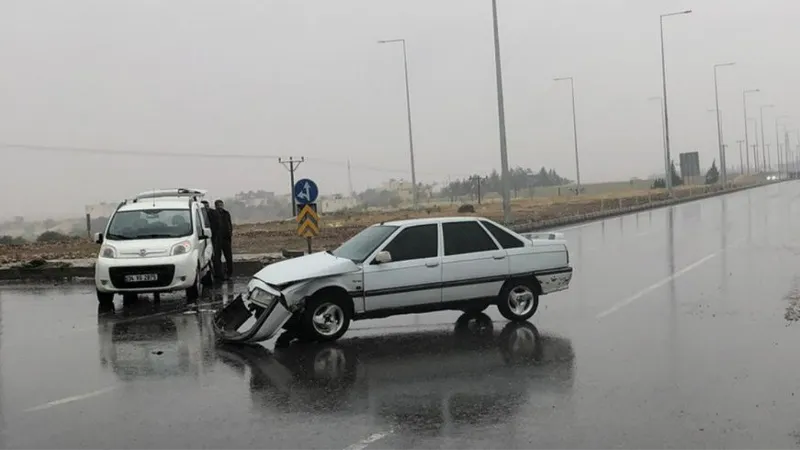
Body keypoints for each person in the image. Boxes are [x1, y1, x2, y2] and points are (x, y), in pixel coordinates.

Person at [201, 200, 222, 278]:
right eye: (204, 206)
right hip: (203, 238)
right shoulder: (199, 214)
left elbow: (218, 225)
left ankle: (219, 274)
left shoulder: (214, 213)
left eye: (207, 206)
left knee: (216, 257)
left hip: (214, 237)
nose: (206, 208)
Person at [214, 199, 234, 280]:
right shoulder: (213, 214)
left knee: (228, 257)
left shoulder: (226, 213)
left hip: (226, 238)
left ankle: (229, 273)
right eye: (218, 205)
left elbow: (229, 224)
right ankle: (219, 275)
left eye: (221, 205)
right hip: (217, 239)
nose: (220, 207)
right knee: (217, 258)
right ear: (215, 206)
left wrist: (230, 233)